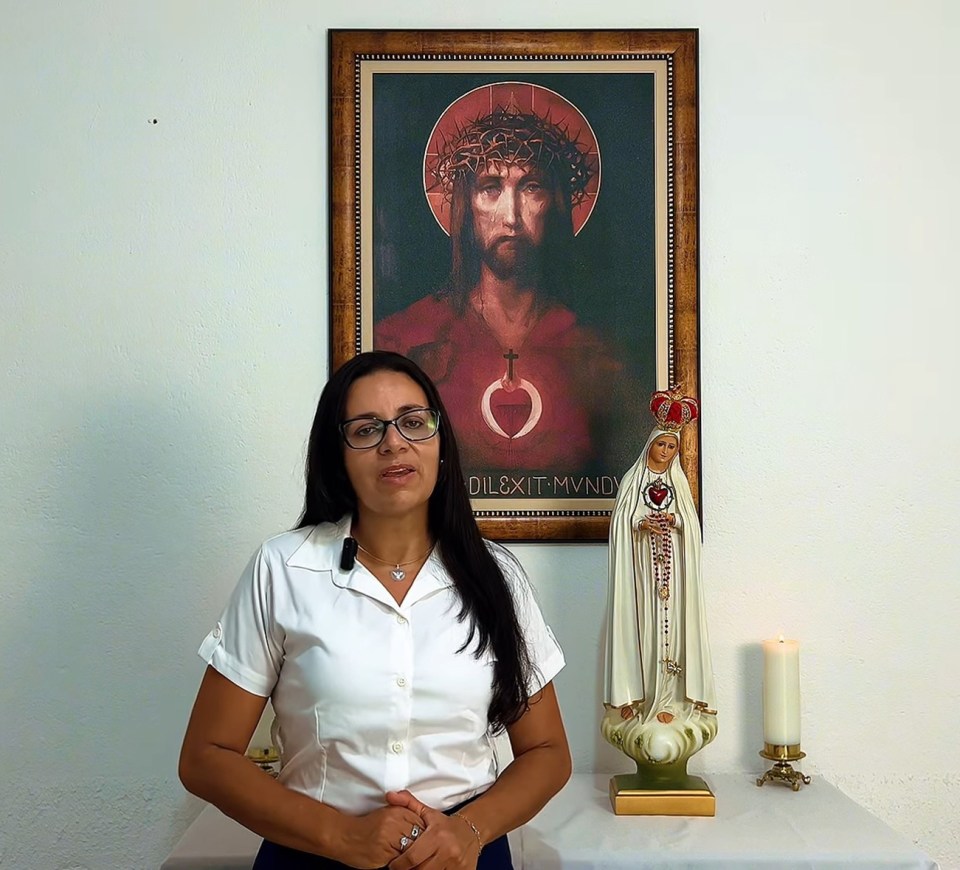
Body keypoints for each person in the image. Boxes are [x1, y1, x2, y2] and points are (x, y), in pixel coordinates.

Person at [179, 350, 570, 869]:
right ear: (337, 456)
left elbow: (547, 753)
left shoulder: (497, 575)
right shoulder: (283, 568)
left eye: (413, 422)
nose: (394, 442)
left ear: (440, 443)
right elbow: (206, 757)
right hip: (312, 854)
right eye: (366, 430)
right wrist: (340, 836)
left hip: (462, 856)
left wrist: (469, 832)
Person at [375, 104, 622, 474]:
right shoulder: (404, 338)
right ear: (465, 205)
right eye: (490, 188)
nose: (511, 216)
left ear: (554, 204)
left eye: (531, 187)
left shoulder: (598, 349)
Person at [601, 390, 716, 771]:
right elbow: (622, 523)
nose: (666, 451)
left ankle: (671, 703)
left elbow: (690, 527)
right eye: (662, 444)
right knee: (647, 637)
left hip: (673, 583)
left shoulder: (679, 485)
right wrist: (641, 523)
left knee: (674, 640)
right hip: (642, 580)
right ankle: (647, 701)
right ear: (651, 445)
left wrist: (676, 522)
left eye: (672, 446)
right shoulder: (633, 482)